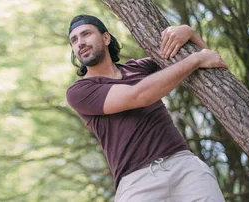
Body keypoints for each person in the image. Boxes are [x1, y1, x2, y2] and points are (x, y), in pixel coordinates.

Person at [65, 14, 227, 202]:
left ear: (106, 37)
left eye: (86, 34)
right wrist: (194, 60)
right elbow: (139, 95)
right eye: (74, 40)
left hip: (185, 167)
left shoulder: (139, 68)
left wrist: (190, 33)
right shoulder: (80, 91)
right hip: (137, 182)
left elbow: (212, 62)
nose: (80, 43)